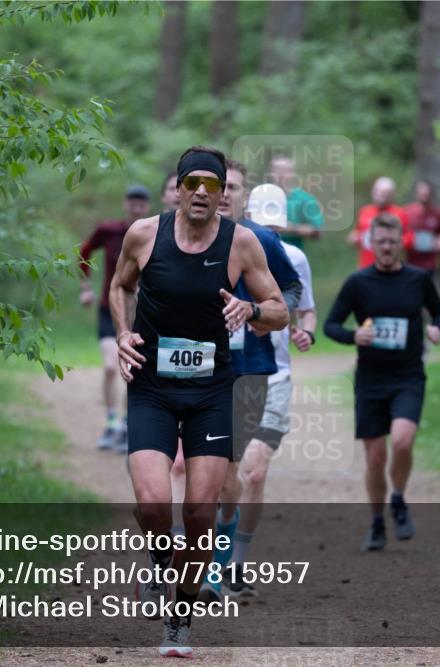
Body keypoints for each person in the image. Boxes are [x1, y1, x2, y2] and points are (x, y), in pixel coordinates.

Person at [110, 146, 288, 658]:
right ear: (180, 188)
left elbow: (278, 311)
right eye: (195, 183)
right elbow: (120, 287)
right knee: (151, 504)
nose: (205, 193)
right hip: (151, 387)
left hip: (212, 391)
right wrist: (123, 334)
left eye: (215, 185)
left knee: (200, 511)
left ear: (223, 193)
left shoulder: (243, 244)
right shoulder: (144, 235)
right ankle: (161, 564)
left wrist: (250, 308)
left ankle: (180, 618)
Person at [190, 162, 301, 601]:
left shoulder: (260, 241)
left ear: (242, 195)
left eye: (233, 187)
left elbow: (290, 292)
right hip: (196, 365)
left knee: (227, 476)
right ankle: (190, 560)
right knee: (195, 469)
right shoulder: (186, 237)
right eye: (220, 186)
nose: (225, 194)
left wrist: (262, 316)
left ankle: (216, 567)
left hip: (248, 369)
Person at [324, 213, 440, 552]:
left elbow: (439, 312)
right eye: (381, 242)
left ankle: (398, 498)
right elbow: (330, 325)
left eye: (393, 241)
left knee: (404, 441)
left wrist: (437, 328)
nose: (388, 247)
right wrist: (354, 335)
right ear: (371, 243)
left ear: (401, 243)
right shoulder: (358, 283)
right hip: (370, 380)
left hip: (408, 376)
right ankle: (378, 521)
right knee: (375, 457)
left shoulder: (418, 280)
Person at [224, 182, 317, 596]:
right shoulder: (229, 248)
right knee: (226, 473)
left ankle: (236, 566)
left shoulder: (292, 256)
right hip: (236, 374)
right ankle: (214, 560)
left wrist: (306, 333)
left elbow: (306, 307)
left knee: (255, 471)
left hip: (274, 375)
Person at [79, 185, 151, 452]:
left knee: (135, 371)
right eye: (132, 202)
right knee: (111, 366)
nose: (136, 208)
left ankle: (130, 427)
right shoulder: (109, 231)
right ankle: (112, 423)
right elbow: (83, 252)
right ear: (125, 204)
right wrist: (85, 287)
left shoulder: (151, 232)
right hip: (110, 308)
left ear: (147, 206)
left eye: (141, 203)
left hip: (142, 313)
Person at [349, 176, 411, 268]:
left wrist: (395, 243)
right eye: (377, 192)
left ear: (392, 195)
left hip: (390, 265)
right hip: (366, 265)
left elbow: (410, 237)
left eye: (384, 193)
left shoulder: (400, 213)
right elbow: (358, 232)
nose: (379, 195)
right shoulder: (365, 211)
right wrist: (354, 237)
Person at [268, 155, 324, 248]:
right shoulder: (260, 196)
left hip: (292, 256)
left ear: (293, 173)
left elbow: (318, 232)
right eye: (277, 170)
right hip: (261, 255)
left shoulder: (305, 199)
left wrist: (290, 228)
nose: (280, 174)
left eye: (285, 170)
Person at [404, 179, 440, 279]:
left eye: (426, 193)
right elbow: (398, 233)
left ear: (431, 194)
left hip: (429, 264)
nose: (424, 196)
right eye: (422, 193)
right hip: (409, 262)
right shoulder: (407, 212)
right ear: (416, 193)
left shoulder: (438, 214)